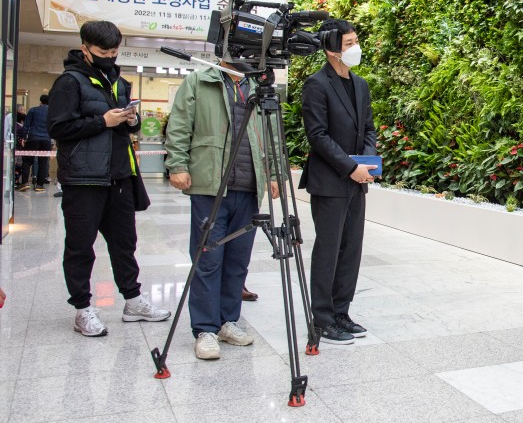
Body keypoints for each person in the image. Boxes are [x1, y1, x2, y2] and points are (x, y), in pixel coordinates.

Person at [48, 21, 170, 337]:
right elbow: (58, 129)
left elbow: (125, 127)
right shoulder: (69, 82)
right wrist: (101, 121)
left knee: (124, 244)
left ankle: (133, 301)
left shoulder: (118, 80)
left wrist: (132, 119)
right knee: (80, 247)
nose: (110, 57)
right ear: (85, 47)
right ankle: (83, 309)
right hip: (84, 179)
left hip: (119, 175)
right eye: (103, 52)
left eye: (115, 51)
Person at [165, 57, 280, 360]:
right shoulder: (200, 82)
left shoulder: (257, 85)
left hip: (249, 185)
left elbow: (271, 134)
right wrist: (176, 164)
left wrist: (274, 172)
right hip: (210, 184)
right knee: (207, 259)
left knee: (237, 261)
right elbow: (179, 124)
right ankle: (204, 328)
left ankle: (228, 321)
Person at [300, 19, 376, 345]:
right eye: (348, 43)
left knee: (351, 250)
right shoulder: (316, 84)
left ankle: (341, 311)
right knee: (328, 250)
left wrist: (367, 162)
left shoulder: (360, 85)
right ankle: (322, 319)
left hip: (358, 181)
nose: (355, 47)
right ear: (332, 49)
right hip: (330, 181)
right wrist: (349, 167)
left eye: (356, 40)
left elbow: (369, 128)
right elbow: (317, 136)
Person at [23, 94, 52, 191]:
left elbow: (26, 125)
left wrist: (23, 137)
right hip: (46, 139)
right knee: (43, 163)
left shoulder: (33, 110)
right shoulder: (52, 112)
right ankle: (40, 185)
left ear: (40, 101)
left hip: (33, 138)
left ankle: (25, 183)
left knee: (27, 161)